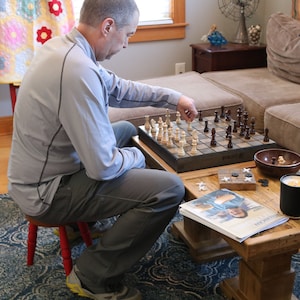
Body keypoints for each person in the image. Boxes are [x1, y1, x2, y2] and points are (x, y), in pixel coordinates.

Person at [7, 0, 198, 299]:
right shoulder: (77, 71)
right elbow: (103, 167)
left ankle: (78, 223)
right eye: (128, 34)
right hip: (46, 193)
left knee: (126, 131)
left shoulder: (66, 48)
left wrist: (175, 99)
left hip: (47, 172)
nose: (126, 44)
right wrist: (142, 157)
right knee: (168, 189)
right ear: (108, 26)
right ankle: (90, 275)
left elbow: (119, 89)